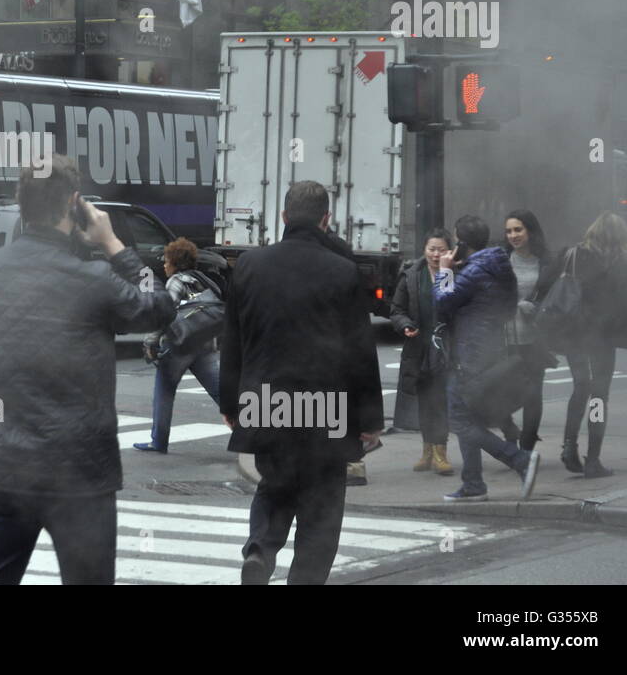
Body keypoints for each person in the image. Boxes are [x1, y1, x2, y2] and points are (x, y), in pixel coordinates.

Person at [0, 155, 176, 585]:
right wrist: (113, 243)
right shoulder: (94, 278)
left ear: (21, 203)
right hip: (78, 471)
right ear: (74, 204)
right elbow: (160, 306)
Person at [219, 181, 384, 585]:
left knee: (273, 486)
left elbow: (232, 341)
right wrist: (369, 418)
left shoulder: (249, 265)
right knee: (322, 506)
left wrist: (230, 404)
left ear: (283, 217)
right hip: (324, 407)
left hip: (266, 401)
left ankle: (259, 550)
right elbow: (360, 351)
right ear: (327, 220)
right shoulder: (342, 272)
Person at [435, 214, 539, 502]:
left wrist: (444, 271)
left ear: (460, 242)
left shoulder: (472, 272)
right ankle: (473, 484)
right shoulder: (497, 267)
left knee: (459, 420)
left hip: (470, 354)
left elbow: (442, 304)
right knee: (471, 419)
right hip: (491, 350)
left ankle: (520, 459)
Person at [560, 212, 627, 478]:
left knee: (579, 389)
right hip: (601, 340)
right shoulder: (623, 265)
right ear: (622, 237)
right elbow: (625, 306)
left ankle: (569, 444)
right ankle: (592, 458)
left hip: (573, 335)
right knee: (598, 398)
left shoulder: (576, 255)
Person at [134, 237, 222, 453]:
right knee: (220, 391)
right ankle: (253, 428)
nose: (164, 265)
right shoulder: (203, 279)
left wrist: (150, 341)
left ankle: (159, 441)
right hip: (203, 343)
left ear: (175, 262)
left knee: (164, 390)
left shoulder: (175, 281)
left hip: (179, 346)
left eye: (166, 261)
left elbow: (165, 313)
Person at [391, 228, 454, 475]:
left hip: (445, 349)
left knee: (440, 400)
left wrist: (446, 272)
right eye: (431, 249)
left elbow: (449, 307)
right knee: (425, 401)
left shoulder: (453, 273)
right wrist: (405, 325)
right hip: (418, 348)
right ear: (424, 250)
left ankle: (441, 452)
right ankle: (427, 450)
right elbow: (396, 310)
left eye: (441, 249)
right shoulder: (411, 275)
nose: (435, 255)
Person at [499, 210, 562, 452]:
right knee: (499, 392)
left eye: (518, 229)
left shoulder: (547, 261)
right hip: (504, 338)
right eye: (508, 231)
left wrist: (536, 307)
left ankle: (526, 450)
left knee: (533, 395)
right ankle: (508, 430)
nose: (513, 235)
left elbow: (555, 297)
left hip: (535, 339)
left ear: (530, 231)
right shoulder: (501, 258)